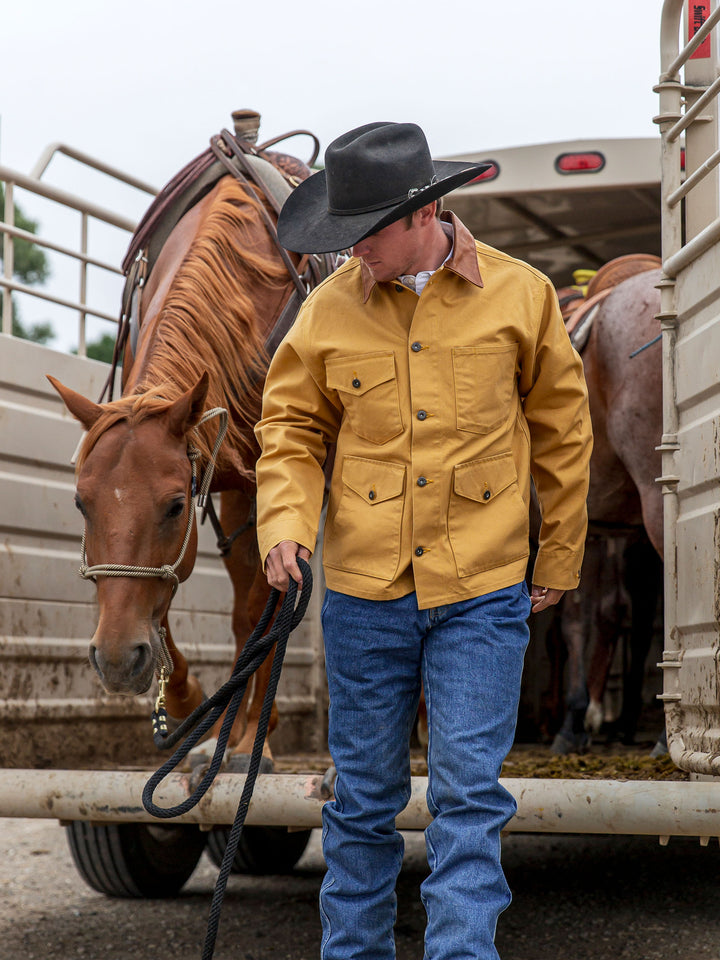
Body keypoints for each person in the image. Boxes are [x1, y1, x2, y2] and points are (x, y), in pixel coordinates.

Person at [254, 121, 592, 960]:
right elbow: (290, 428)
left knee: (468, 798)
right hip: (366, 598)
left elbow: (562, 430)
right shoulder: (327, 311)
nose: (350, 252)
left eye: (362, 235)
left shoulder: (522, 296)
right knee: (362, 803)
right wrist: (287, 526)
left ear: (421, 216)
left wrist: (556, 558)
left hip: (482, 591)